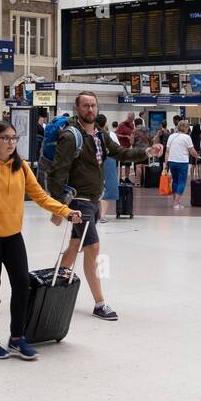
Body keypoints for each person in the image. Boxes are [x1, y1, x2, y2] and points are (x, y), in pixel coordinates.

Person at [0, 121, 79, 360]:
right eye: (5, 138)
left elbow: (40, 196)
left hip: (13, 236)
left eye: (14, 138)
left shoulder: (22, 167)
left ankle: (16, 338)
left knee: (21, 284)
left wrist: (65, 211)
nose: (11, 143)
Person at [48, 91, 160, 319]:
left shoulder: (100, 135)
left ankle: (53, 286)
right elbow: (57, 174)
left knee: (75, 244)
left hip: (94, 199)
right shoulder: (71, 137)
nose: (90, 110)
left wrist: (147, 151)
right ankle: (100, 303)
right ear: (78, 109)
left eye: (93, 105)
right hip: (79, 202)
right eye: (86, 106)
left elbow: (120, 153)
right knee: (93, 248)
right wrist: (59, 207)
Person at [165, 118, 200, 210]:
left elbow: (167, 151)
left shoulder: (171, 136)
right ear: (186, 128)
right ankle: (176, 203)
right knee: (182, 182)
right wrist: (197, 156)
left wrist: (166, 164)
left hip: (172, 161)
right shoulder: (187, 137)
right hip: (182, 162)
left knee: (175, 181)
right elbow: (192, 150)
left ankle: (175, 201)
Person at [97, 114, 118, 219]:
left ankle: (93, 213)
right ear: (105, 123)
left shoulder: (91, 134)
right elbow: (117, 149)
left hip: (95, 162)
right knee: (107, 189)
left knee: (95, 187)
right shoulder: (111, 135)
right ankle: (102, 215)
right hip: (109, 161)